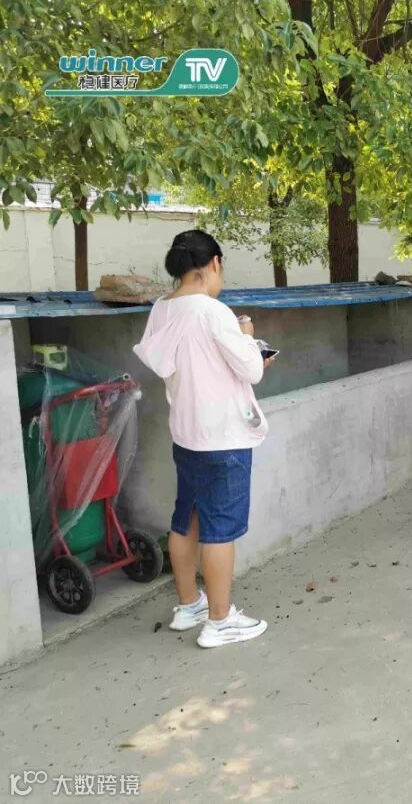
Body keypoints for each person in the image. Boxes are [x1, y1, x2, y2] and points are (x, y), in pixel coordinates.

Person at [133, 230, 270, 649]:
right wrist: (247, 336)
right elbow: (253, 370)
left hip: (187, 434)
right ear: (213, 263)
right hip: (223, 437)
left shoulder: (162, 310)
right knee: (220, 529)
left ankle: (190, 604)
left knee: (186, 519)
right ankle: (220, 620)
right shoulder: (214, 313)